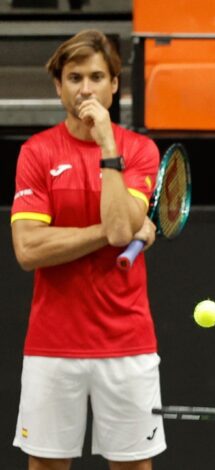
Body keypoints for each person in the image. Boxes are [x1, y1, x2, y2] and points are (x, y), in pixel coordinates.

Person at [10, 30, 165, 470]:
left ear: (115, 85)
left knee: (134, 466)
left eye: (97, 77)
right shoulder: (36, 153)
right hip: (52, 345)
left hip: (128, 345)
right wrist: (116, 231)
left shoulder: (139, 151)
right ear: (58, 86)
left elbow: (121, 230)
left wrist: (107, 147)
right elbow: (28, 249)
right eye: (74, 77)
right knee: (46, 466)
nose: (85, 89)